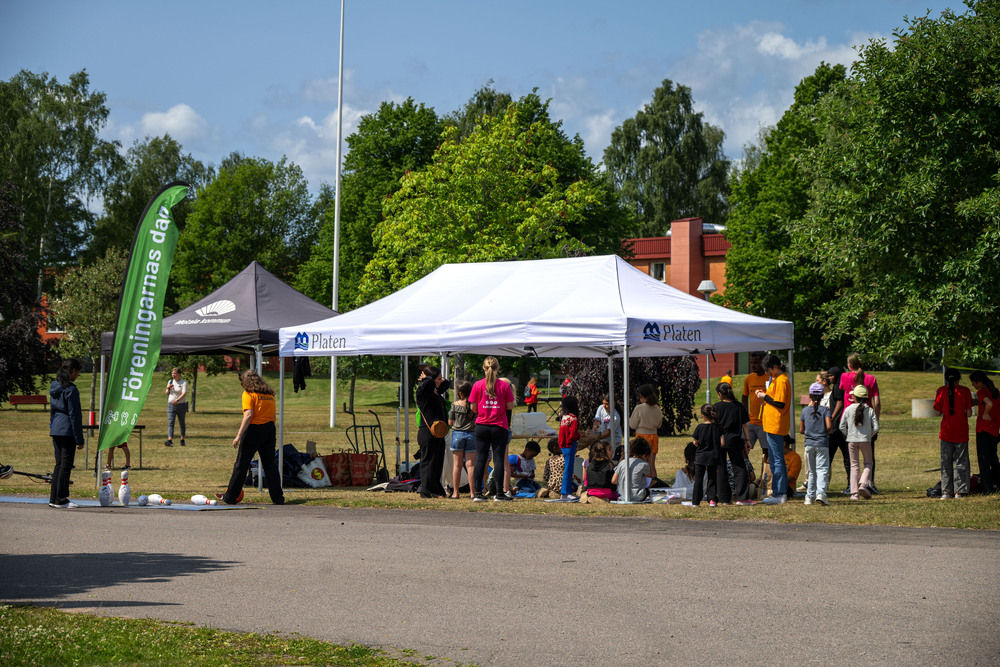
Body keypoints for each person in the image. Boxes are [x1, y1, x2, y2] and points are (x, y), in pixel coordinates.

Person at [219, 369, 284, 505]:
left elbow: (248, 415)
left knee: (241, 464)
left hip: (254, 429)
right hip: (269, 429)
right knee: (270, 465)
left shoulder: (248, 394)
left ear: (245, 382)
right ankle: (278, 498)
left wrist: (238, 435)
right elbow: (273, 416)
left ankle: (230, 496)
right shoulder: (269, 395)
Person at [470, 356, 516, 502]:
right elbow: (509, 406)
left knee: (480, 459)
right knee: (498, 460)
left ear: (484, 369)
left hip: (482, 425)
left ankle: (477, 493)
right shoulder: (504, 386)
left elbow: (473, 407)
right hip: (499, 426)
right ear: (497, 368)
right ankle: (499, 494)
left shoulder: (477, 385)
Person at [840, 353, 881, 491]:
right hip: (866, 421)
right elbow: (877, 402)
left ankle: (853, 490)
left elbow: (841, 392)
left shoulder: (845, 377)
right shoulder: (871, 378)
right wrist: (875, 420)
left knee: (853, 462)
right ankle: (868, 484)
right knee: (869, 458)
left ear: (849, 365)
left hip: (850, 420)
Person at [754, 354, 791, 504]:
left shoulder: (782, 380)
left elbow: (780, 403)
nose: (768, 374)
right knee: (775, 459)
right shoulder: (776, 379)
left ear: (775, 367)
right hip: (770, 424)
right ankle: (777, 492)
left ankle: (779, 492)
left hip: (776, 424)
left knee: (777, 460)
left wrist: (764, 396)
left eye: (769, 371)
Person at [49, 359, 84, 509]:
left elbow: (52, 411)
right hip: (67, 429)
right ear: (72, 371)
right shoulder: (71, 390)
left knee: (58, 464)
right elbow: (74, 415)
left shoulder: (55, 387)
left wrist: (52, 426)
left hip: (56, 428)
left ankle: (53, 498)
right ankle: (61, 499)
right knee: (66, 465)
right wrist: (79, 439)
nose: (77, 376)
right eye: (77, 373)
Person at [933, 369, 973, 499]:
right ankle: (959, 491)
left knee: (946, 463)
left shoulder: (941, 391)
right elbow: (969, 413)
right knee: (961, 462)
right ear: (959, 379)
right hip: (961, 431)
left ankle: (946, 491)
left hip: (946, 432)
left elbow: (937, 412)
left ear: (945, 379)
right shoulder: (965, 391)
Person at [415, 365, 450, 499]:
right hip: (428, 432)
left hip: (438, 432)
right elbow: (428, 384)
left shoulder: (435, 392)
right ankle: (427, 491)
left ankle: (436, 489)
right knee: (429, 462)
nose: (441, 381)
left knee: (437, 461)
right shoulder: (423, 394)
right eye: (438, 378)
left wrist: (435, 379)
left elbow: (446, 384)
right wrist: (427, 378)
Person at [839, 385, 879, 500]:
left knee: (854, 465)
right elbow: (876, 427)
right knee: (868, 463)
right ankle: (863, 484)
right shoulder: (870, 410)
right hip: (865, 440)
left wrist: (849, 434)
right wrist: (868, 435)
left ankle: (854, 493)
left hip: (851, 440)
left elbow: (841, 426)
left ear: (855, 397)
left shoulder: (848, 409)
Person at [713, 382, 750, 503]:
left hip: (719, 440)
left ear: (719, 394)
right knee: (739, 468)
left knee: (721, 468)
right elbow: (744, 425)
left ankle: (724, 498)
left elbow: (713, 425)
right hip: (734, 439)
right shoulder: (739, 406)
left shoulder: (716, 407)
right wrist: (747, 440)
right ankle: (742, 497)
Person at [800, 382, 832, 505]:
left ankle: (809, 496)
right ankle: (821, 493)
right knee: (822, 469)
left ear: (810, 395)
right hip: (822, 443)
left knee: (812, 471)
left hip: (809, 443)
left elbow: (801, 430)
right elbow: (829, 427)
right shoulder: (825, 410)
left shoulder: (805, 411)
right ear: (823, 395)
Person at [969, 371, 1000, 494]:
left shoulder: (981, 391)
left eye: (973, 382)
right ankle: (997, 483)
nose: (973, 385)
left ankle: (986, 488)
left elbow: (989, 403)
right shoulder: (996, 392)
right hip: (994, 429)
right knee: (994, 459)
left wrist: (985, 413)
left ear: (979, 382)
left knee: (984, 460)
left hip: (983, 429)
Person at [628, 384, 664, 480]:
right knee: (651, 463)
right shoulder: (657, 408)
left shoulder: (639, 408)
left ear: (641, 396)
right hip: (654, 436)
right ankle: (654, 481)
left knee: (640, 462)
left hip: (642, 437)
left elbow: (632, 424)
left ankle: (642, 481)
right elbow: (659, 424)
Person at [448, 381, 476, 499]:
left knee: (457, 466)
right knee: (470, 466)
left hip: (457, 435)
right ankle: (473, 492)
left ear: (460, 393)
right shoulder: (474, 406)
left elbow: (450, 422)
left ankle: (455, 492)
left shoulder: (455, 405)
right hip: (472, 434)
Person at [691, 404, 723, 507]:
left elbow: (695, 442)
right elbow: (722, 443)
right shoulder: (718, 427)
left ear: (704, 415)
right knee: (712, 478)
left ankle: (696, 501)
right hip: (713, 455)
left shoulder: (700, 427)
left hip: (701, 455)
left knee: (698, 480)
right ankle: (712, 499)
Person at [826, 365, 850, 493]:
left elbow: (839, 404)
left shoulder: (837, 386)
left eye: (831, 375)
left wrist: (831, 418)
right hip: (842, 426)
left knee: (829, 456)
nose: (830, 377)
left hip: (837, 427)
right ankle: (850, 485)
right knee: (846, 457)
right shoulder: (841, 385)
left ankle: (822, 486)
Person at [742, 352, 768, 452]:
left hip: (764, 423)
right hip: (751, 422)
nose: (753, 365)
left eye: (756, 362)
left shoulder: (769, 378)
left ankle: (765, 468)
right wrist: (745, 414)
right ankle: (745, 468)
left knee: (766, 452)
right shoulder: (749, 378)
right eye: (751, 362)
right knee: (743, 450)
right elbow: (744, 396)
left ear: (762, 362)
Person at [612, 437, 652, 502]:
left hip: (622, 496)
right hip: (639, 496)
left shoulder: (623, 462)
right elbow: (649, 480)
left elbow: (613, 480)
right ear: (645, 455)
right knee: (656, 481)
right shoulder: (644, 464)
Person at [558, 395, 582, 501]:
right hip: (570, 445)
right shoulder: (573, 418)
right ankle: (565, 492)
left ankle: (566, 492)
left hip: (563, 445)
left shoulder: (564, 417)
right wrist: (580, 436)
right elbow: (573, 435)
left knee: (568, 469)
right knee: (568, 469)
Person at [164, 367, 188, 447]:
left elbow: (184, 393)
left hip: (181, 405)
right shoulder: (170, 381)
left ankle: (182, 439)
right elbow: (167, 393)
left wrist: (177, 400)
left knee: (181, 422)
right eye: (172, 373)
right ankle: (170, 440)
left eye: (175, 373)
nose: (173, 375)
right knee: (171, 422)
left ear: (179, 374)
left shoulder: (183, 382)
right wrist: (167, 388)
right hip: (171, 405)